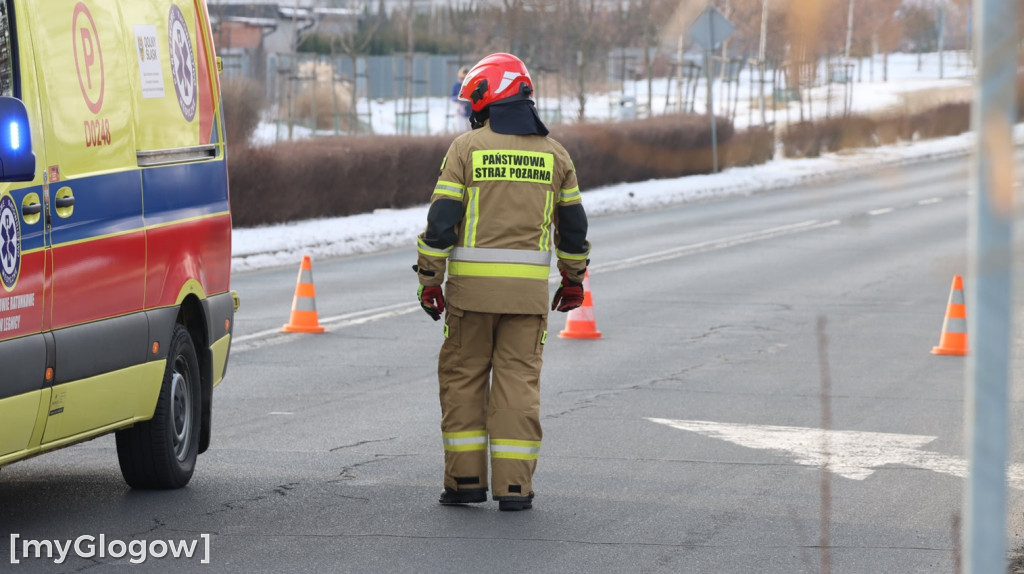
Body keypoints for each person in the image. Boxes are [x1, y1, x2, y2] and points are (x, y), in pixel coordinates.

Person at [415, 53, 590, 511]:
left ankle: (465, 483)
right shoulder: (556, 155)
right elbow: (572, 230)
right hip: (527, 301)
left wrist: (430, 280)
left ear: (486, 96)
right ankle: (515, 490)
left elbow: (442, 223)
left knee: (463, 382)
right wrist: (573, 280)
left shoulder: (466, 149)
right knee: (518, 387)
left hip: (470, 298)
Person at [450, 66, 472, 131]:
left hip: (471, 111)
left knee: (471, 130)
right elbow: (452, 97)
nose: (464, 80)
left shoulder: (472, 85)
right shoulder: (456, 85)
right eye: (462, 78)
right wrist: (458, 98)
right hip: (460, 110)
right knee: (461, 130)